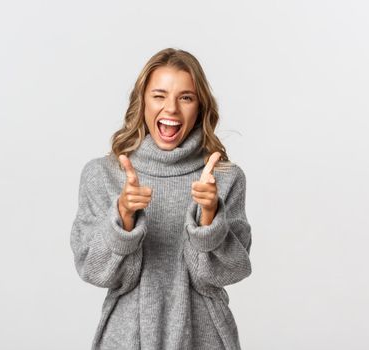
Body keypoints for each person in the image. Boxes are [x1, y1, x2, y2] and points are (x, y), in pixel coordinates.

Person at [70, 47, 252, 350]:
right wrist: (123, 218)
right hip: (126, 338)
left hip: (205, 339)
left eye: (186, 97)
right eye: (159, 95)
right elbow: (94, 270)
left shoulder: (225, 178)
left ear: (200, 107)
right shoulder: (102, 174)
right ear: (142, 101)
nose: (171, 109)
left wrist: (209, 218)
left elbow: (229, 272)